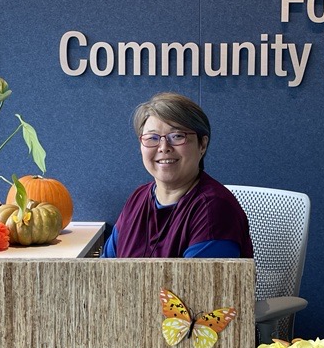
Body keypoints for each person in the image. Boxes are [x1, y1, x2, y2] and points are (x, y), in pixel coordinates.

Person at [101, 92, 254, 258]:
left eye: (177, 136)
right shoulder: (138, 198)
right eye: (152, 137)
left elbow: (200, 283)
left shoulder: (213, 210)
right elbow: (107, 269)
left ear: (202, 145)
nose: (163, 147)